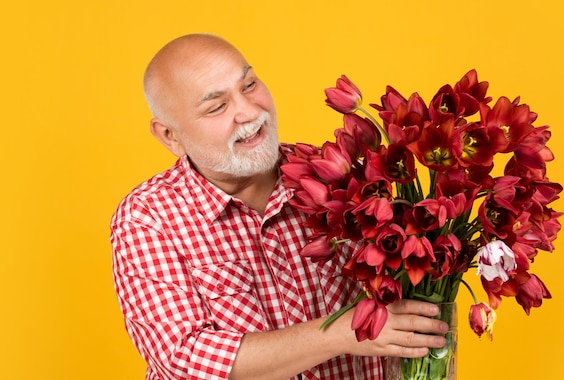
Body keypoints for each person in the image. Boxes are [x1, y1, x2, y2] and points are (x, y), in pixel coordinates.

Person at [110, 33, 449, 380]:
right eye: (216, 107)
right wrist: (343, 331)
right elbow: (186, 357)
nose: (248, 111)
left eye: (249, 84)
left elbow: (409, 276)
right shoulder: (149, 218)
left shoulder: (336, 176)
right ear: (170, 136)